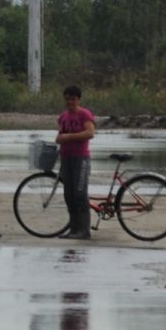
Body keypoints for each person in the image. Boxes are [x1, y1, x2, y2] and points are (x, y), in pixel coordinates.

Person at [55, 83, 96, 240]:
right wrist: (61, 138)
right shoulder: (62, 117)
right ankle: (73, 229)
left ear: (78, 100)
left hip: (81, 158)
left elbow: (90, 133)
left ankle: (84, 230)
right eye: (67, 99)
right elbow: (59, 136)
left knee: (80, 193)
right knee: (69, 195)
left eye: (72, 99)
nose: (69, 102)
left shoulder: (84, 114)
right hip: (66, 158)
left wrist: (69, 137)